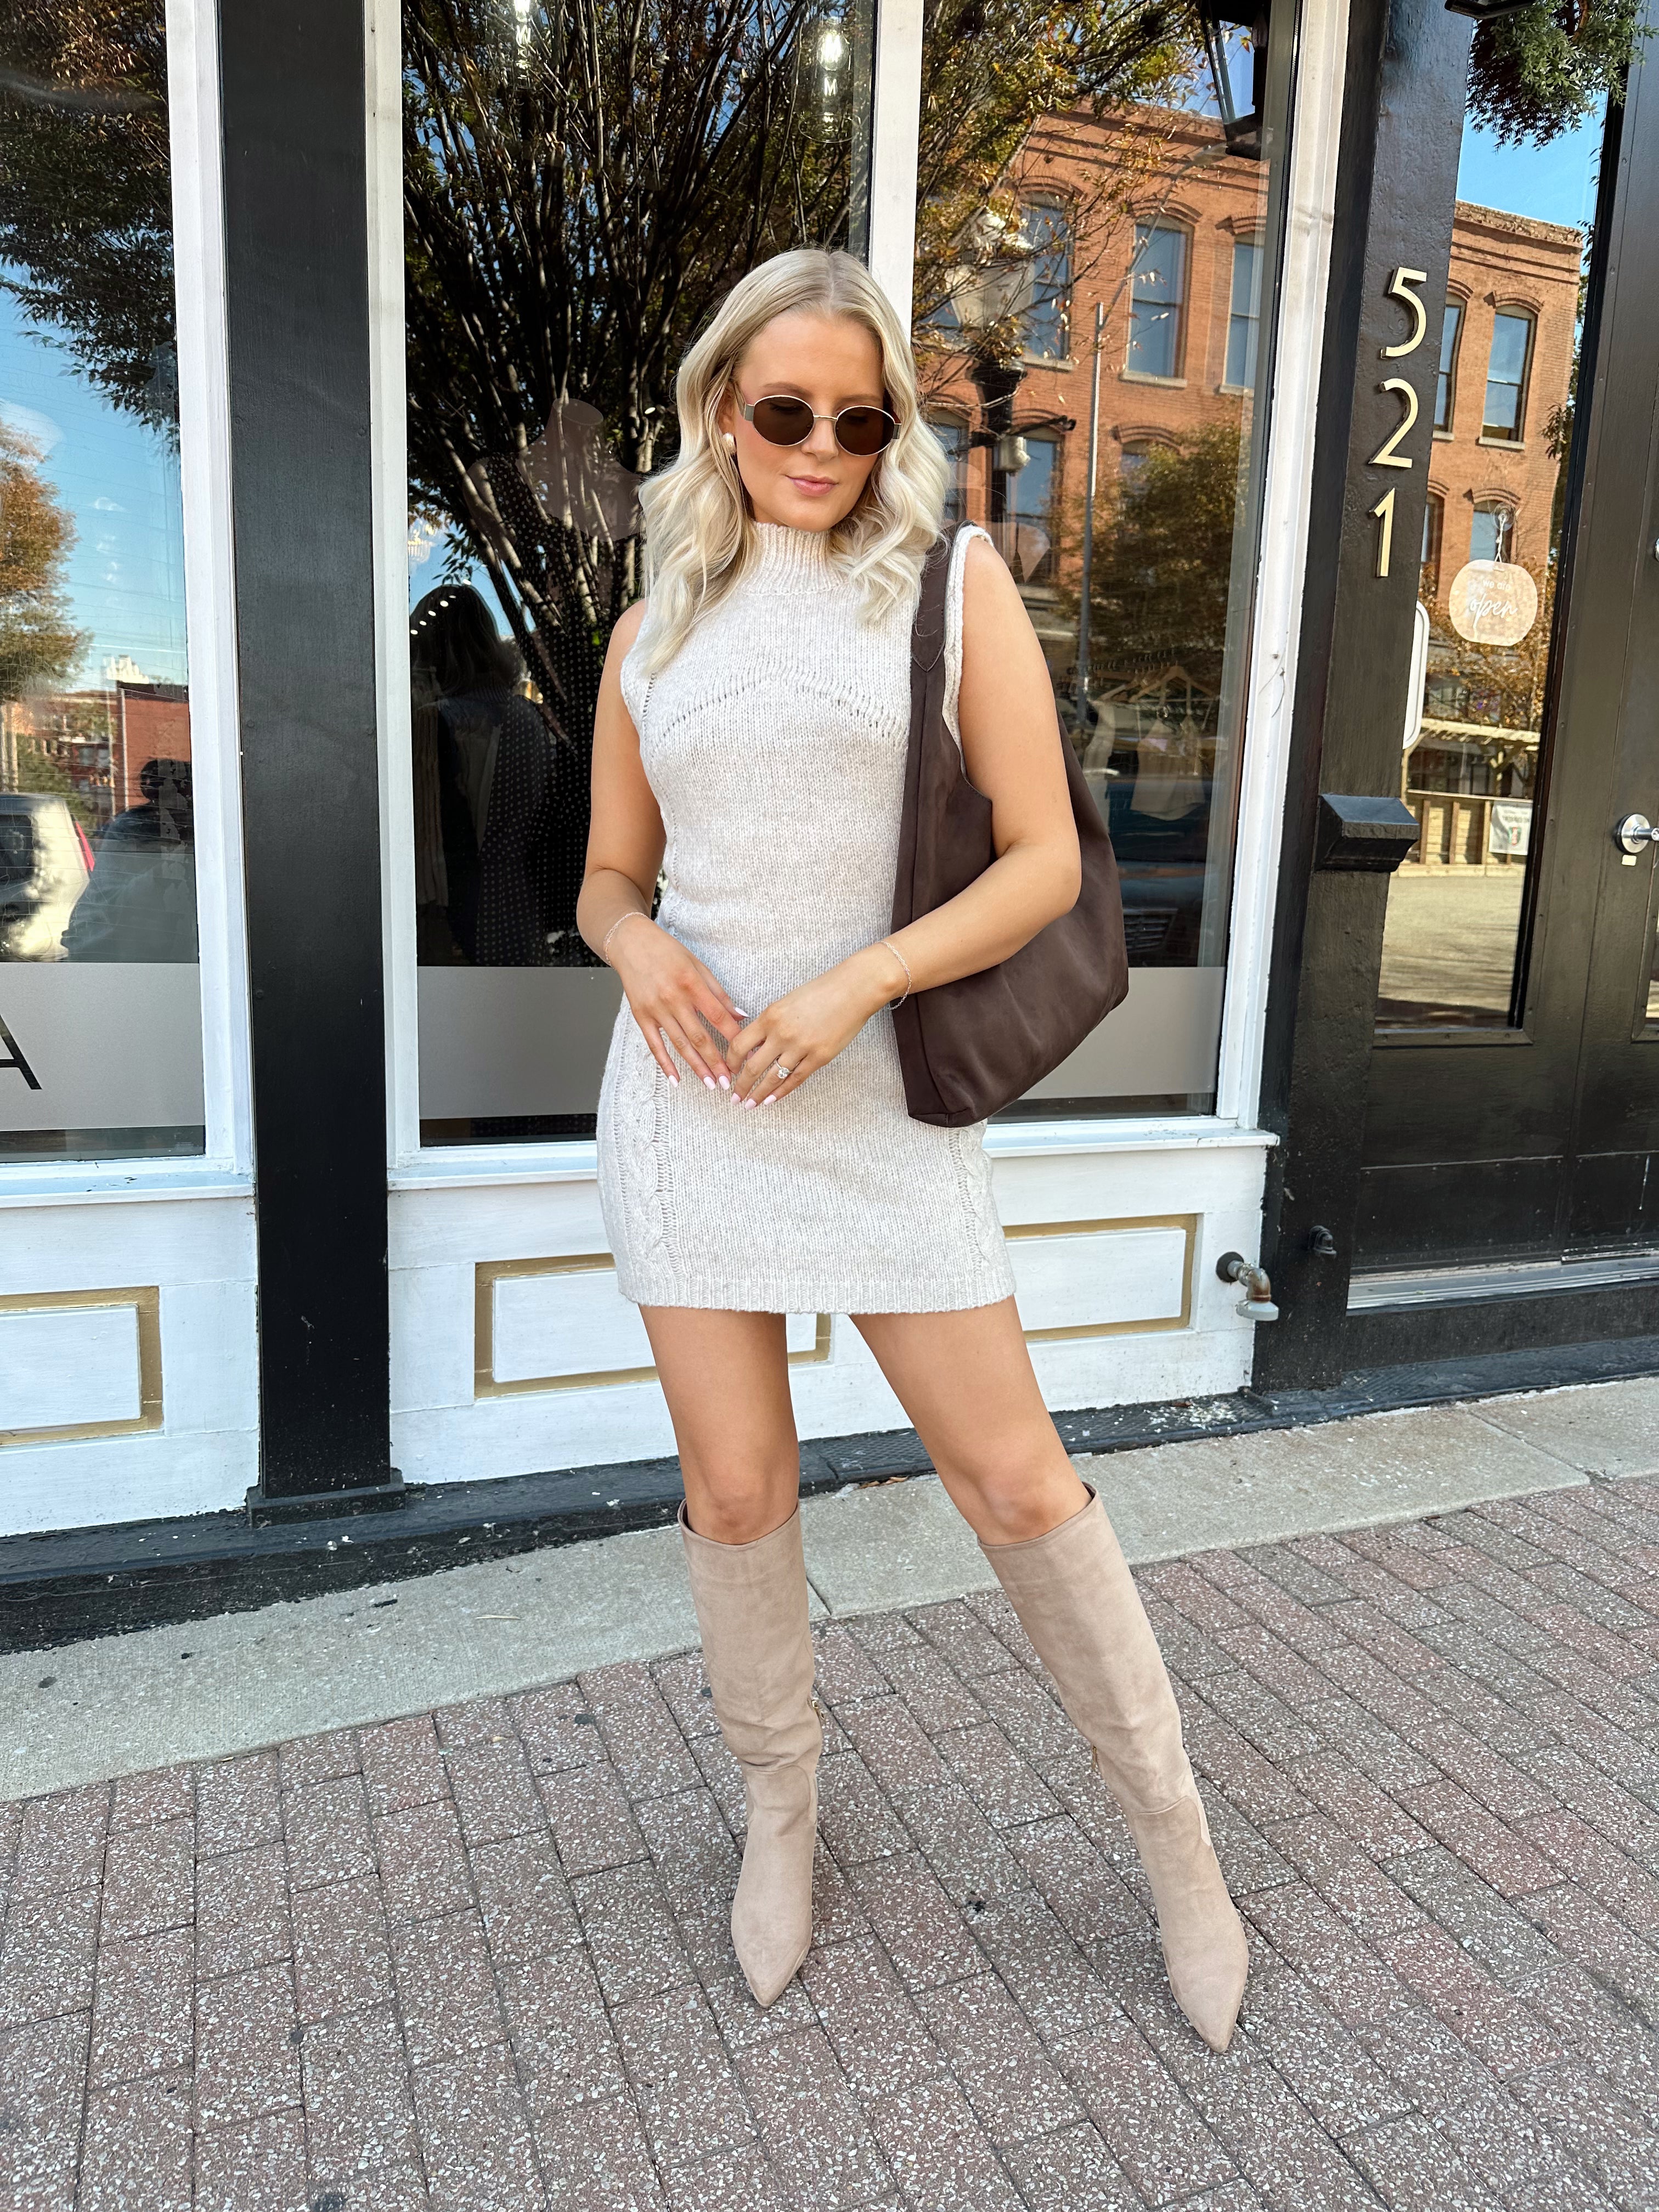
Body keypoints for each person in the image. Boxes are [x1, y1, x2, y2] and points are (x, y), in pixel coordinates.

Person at [576, 247, 1248, 2051]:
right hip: (693, 1104)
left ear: (895, 431)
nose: (821, 445)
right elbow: (607, 877)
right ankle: (781, 1815)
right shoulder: (652, 630)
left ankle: (1174, 1842)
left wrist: (855, 987)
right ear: (726, 407)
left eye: (860, 418)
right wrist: (639, 952)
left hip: (873, 1098)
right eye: (786, 409)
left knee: (1019, 1480)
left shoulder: (952, 588)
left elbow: (1042, 857)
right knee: (735, 1493)